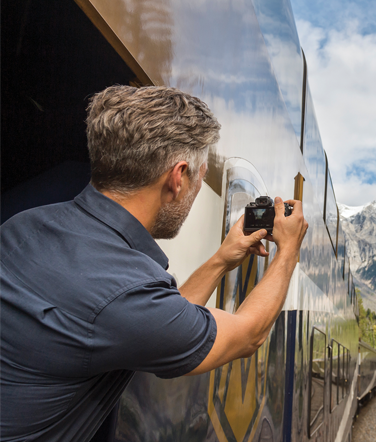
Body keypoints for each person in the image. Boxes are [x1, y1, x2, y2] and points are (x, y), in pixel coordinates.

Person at [0, 85, 308, 441]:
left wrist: (222, 259)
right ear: (178, 178)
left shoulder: (23, 225)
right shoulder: (125, 292)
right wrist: (288, 252)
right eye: (198, 175)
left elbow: (161, 318)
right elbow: (248, 335)